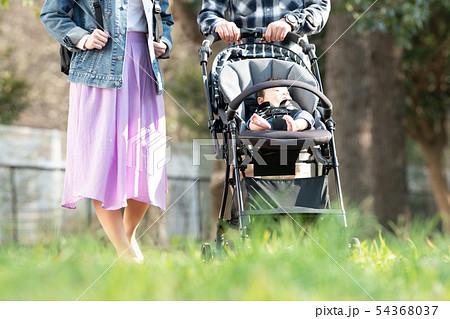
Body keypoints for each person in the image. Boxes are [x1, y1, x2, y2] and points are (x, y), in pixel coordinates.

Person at [40, 0, 174, 263]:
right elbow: (51, 14)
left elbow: (164, 19)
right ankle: (127, 256)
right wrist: (83, 38)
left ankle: (128, 234)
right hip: (98, 73)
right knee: (103, 164)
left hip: (144, 70)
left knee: (148, 162)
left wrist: (165, 43)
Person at [197, 0, 331, 65]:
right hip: (241, 69)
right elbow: (208, 14)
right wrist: (219, 24)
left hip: (293, 66)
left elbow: (319, 9)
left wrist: (290, 21)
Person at [248, 79, 314, 131]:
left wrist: (296, 122)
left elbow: (303, 115)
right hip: (267, 120)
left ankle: (296, 125)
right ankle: (262, 127)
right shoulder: (261, 110)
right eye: (277, 91)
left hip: (292, 119)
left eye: (287, 93)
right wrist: (255, 122)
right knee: (252, 121)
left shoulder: (292, 107)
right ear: (261, 100)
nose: (284, 94)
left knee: (305, 115)